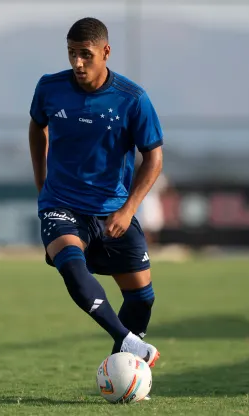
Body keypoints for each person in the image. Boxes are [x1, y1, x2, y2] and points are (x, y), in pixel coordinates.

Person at [28, 17, 163, 370]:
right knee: (71, 267)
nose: (77, 63)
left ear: (106, 52)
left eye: (85, 55)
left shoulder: (132, 99)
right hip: (61, 204)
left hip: (113, 211)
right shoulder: (50, 88)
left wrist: (128, 209)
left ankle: (126, 368)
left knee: (142, 299)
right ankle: (128, 341)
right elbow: (36, 126)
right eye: (72, 53)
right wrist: (42, 185)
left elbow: (154, 158)